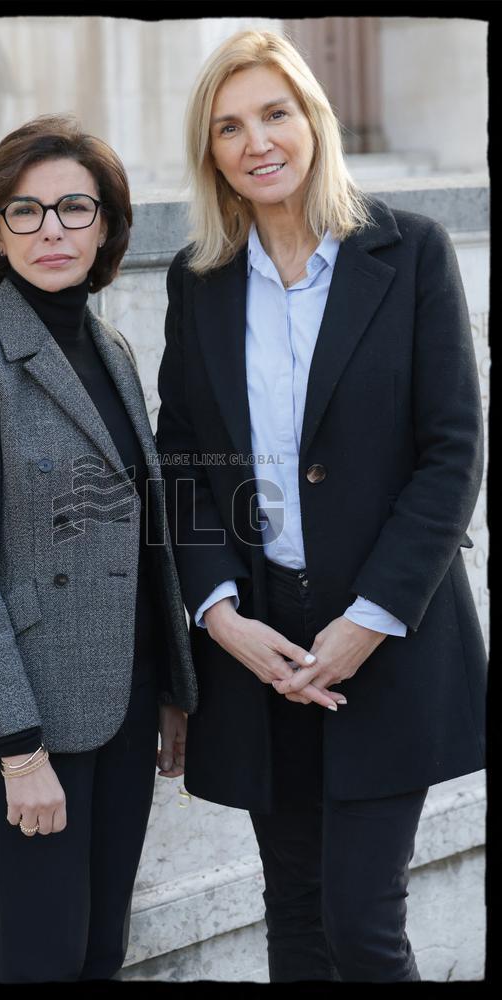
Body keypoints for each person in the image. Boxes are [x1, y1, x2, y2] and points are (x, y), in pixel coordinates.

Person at [156, 30, 486, 983]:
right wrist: (219, 615)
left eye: (274, 113)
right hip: (261, 646)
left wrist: (368, 621)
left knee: (361, 927)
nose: (256, 141)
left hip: (386, 641)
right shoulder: (199, 280)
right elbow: (185, 457)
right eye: (229, 126)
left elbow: (451, 455)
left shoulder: (409, 252)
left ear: (313, 121)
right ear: (210, 151)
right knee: (294, 921)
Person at [0, 114, 197, 984]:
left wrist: (173, 685)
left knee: (102, 953)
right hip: (27, 720)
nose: (52, 231)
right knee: (44, 959)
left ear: (107, 223)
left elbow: (142, 531)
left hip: (124, 699)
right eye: (24, 212)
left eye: (75, 207)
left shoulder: (110, 350)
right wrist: (20, 752)